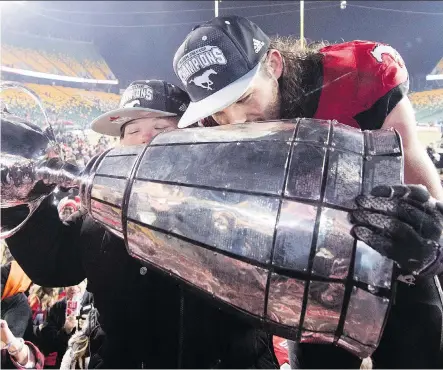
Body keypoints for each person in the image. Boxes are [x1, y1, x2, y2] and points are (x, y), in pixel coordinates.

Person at [173, 16, 443, 368]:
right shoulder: (211, 128)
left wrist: (429, 234)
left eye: (244, 97)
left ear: (273, 64)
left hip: (390, 259)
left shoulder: (359, 76)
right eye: (218, 112)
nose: (235, 121)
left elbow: (420, 189)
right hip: (315, 277)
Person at [4, 80, 279, 368]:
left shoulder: (239, 202)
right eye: (133, 131)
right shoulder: (100, 214)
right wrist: (16, 196)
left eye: (161, 129)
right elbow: (54, 263)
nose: (145, 140)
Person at [37, 281, 92, 369]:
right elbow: (47, 344)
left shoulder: (95, 303)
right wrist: (65, 330)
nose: (73, 287)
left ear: (85, 283)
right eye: (69, 282)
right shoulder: (56, 308)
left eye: (78, 282)